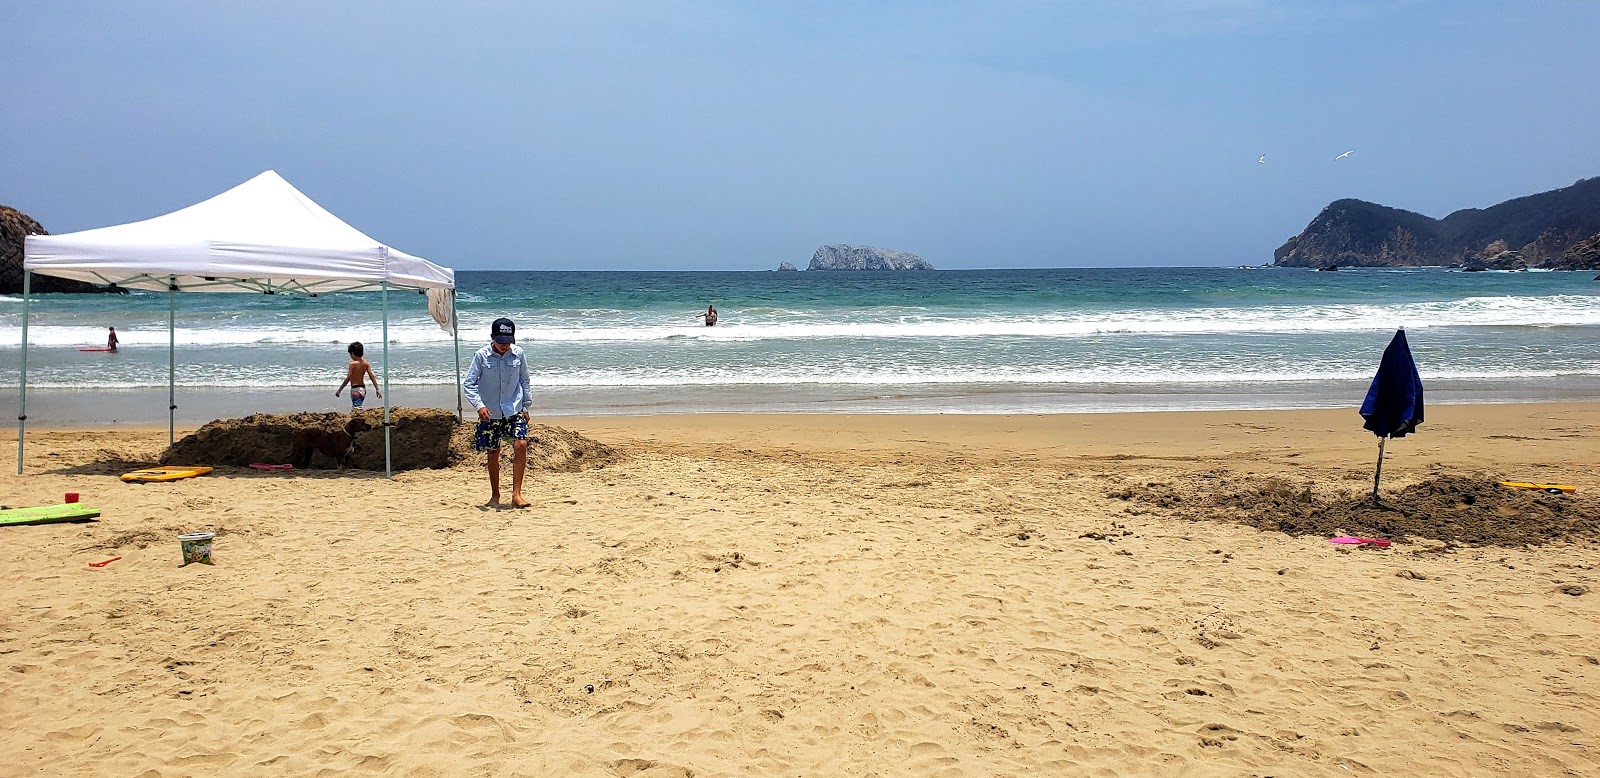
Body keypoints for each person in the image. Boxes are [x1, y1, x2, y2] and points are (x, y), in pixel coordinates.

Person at [462, 317, 533, 508]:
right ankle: (495, 495)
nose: (504, 345)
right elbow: (469, 384)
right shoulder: (481, 356)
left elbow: (524, 381)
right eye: (501, 341)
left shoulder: (518, 354)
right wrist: (479, 406)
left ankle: (517, 495)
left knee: (521, 445)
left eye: (508, 341)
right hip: (490, 412)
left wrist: (526, 406)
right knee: (493, 452)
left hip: (514, 408)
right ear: (493, 338)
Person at [335, 342, 382, 409]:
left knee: (357, 407)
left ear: (353, 353)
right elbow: (372, 376)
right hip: (362, 389)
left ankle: (364, 418)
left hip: (355, 389)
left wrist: (339, 390)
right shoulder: (366, 364)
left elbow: (348, 378)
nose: (350, 356)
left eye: (350, 354)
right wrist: (377, 389)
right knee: (355, 406)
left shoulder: (352, 364)